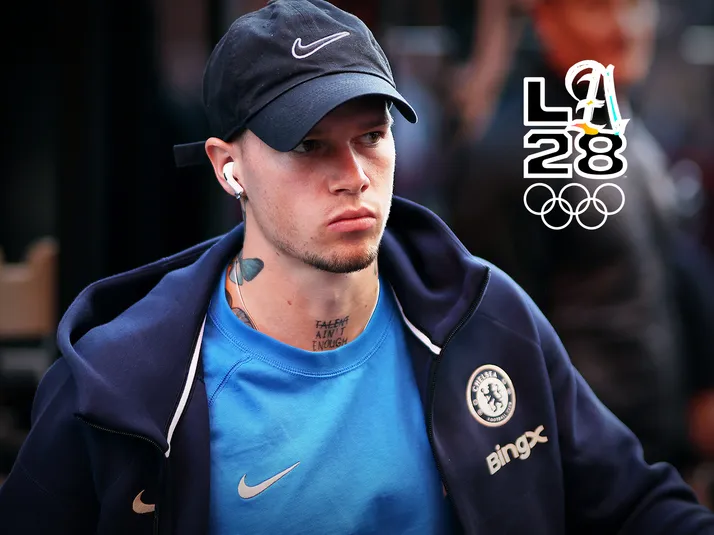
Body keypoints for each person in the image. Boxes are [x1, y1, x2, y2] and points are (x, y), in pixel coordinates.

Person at [0, 1, 713, 533]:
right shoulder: (121, 385)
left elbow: (637, 504)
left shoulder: (484, 318)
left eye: (372, 135)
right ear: (227, 167)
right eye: (309, 146)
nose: (354, 175)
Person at [447, 0, 709, 473]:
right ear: (546, 19)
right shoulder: (516, 153)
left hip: (656, 461)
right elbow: (496, 351)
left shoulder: (618, 116)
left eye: (635, 5)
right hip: (590, 472)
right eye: (596, 7)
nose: (625, 27)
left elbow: (663, 272)